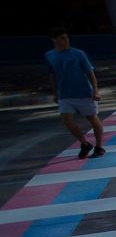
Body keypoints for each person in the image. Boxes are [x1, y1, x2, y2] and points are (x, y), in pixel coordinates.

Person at [45, 28, 105, 159]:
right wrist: (55, 93)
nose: (66, 40)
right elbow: (52, 75)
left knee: (93, 119)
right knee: (67, 120)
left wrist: (95, 91)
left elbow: (90, 73)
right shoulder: (50, 56)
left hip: (84, 92)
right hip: (65, 94)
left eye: (66, 37)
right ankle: (84, 143)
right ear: (54, 40)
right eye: (62, 38)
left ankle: (99, 146)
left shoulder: (78, 54)